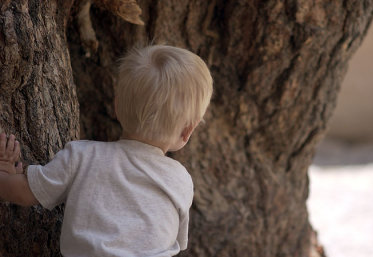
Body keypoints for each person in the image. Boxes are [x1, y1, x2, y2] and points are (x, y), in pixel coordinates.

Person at [0, 45, 213, 257]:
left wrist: (6, 172)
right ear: (187, 131)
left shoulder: (82, 157)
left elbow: (25, 192)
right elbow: (174, 241)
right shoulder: (180, 180)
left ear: (117, 106)